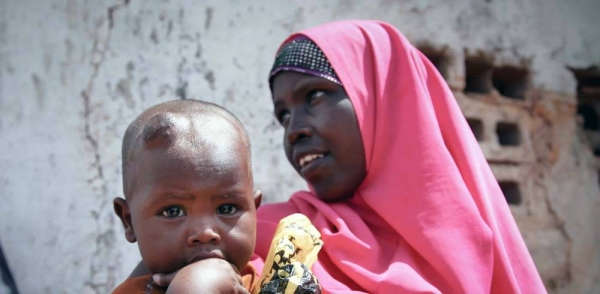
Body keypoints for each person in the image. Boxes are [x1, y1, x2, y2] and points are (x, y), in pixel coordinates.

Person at [249, 20, 547, 293]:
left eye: (314, 96)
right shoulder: (269, 240)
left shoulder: (481, 243)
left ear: (386, 101)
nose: (292, 130)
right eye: (283, 115)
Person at [112, 99, 262, 293]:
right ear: (129, 221)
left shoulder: (263, 277)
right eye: (173, 212)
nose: (205, 233)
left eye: (227, 209)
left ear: (255, 210)